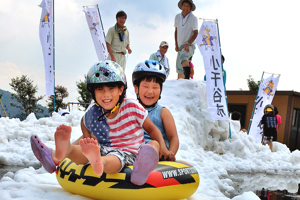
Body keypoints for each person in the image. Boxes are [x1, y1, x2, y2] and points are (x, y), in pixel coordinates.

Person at [31, 60, 169, 186]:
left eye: (111, 89)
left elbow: (152, 130)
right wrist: (87, 144)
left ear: (121, 90)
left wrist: (162, 149)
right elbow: (85, 127)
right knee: (87, 152)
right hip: (103, 149)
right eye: (100, 89)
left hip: (132, 152)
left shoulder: (132, 106)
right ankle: (68, 149)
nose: (106, 95)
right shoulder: (94, 113)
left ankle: (112, 164)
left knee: (151, 145)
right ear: (93, 92)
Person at [132, 60, 179, 161]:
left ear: (160, 90)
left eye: (155, 87)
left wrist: (170, 153)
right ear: (136, 89)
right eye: (145, 86)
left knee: (154, 145)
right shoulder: (130, 110)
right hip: (133, 152)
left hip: (157, 154)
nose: (150, 91)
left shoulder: (163, 112)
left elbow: (173, 137)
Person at [175, 0, 198, 79]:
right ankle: (180, 85)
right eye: (184, 5)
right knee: (179, 67)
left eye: (188, 6)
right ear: (181, 6)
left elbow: (195, 33)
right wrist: (176, 45)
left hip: (189, 44)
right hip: (180, 45)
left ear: (191, 8)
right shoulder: (177, 17)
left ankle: (187, 78)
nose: (185, 8)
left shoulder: (193, 18)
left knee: (184, 55)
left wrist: (188, 43)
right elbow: (176, 31)